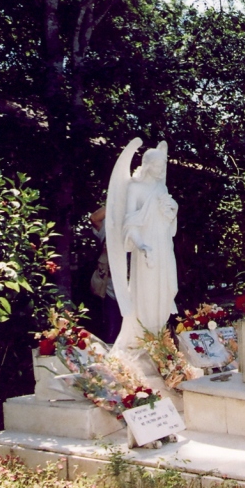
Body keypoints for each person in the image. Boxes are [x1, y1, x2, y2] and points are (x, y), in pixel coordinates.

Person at [107, 141, 179, 352]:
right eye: (158, 165)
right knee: (147, 294)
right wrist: (142, 245)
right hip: (147, 247)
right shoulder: (134, 188)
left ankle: (158, 339)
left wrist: (171, 211)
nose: (162, 170)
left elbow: (167, 220)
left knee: (168, 288)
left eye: (164, 165)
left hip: (164, 244)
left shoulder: (161, 187)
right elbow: (129, 223)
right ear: (148, 165)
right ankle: (144, 340)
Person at [89, 205, 122, 343]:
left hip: (138, 294)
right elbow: (94, 218)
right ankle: (113, 363)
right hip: (112, 292)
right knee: (112, 333)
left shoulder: (144, 228)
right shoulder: (110, 229)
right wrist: (118, 196)